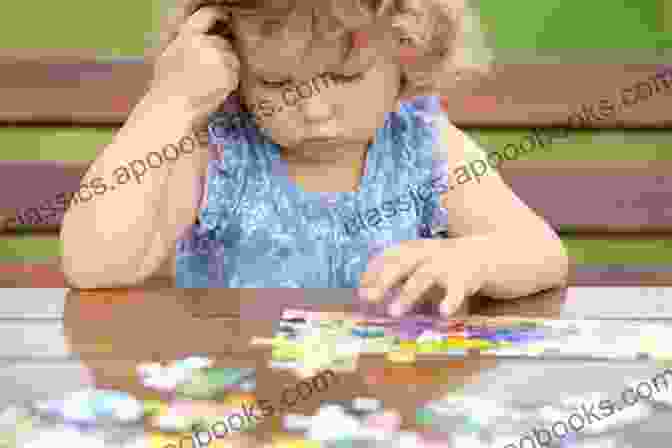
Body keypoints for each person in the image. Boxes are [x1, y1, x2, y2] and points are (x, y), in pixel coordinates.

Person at [60, 0, 568, 317]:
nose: (315, 108)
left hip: (389, 405)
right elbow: (93, 264)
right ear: (230, 64)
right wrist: (169, 102)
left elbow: (541, 252)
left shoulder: (424, 147)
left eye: (345, 78)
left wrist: (472, 260)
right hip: (235, 409)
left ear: (409, 55)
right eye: (277, 83)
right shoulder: (218, 154)